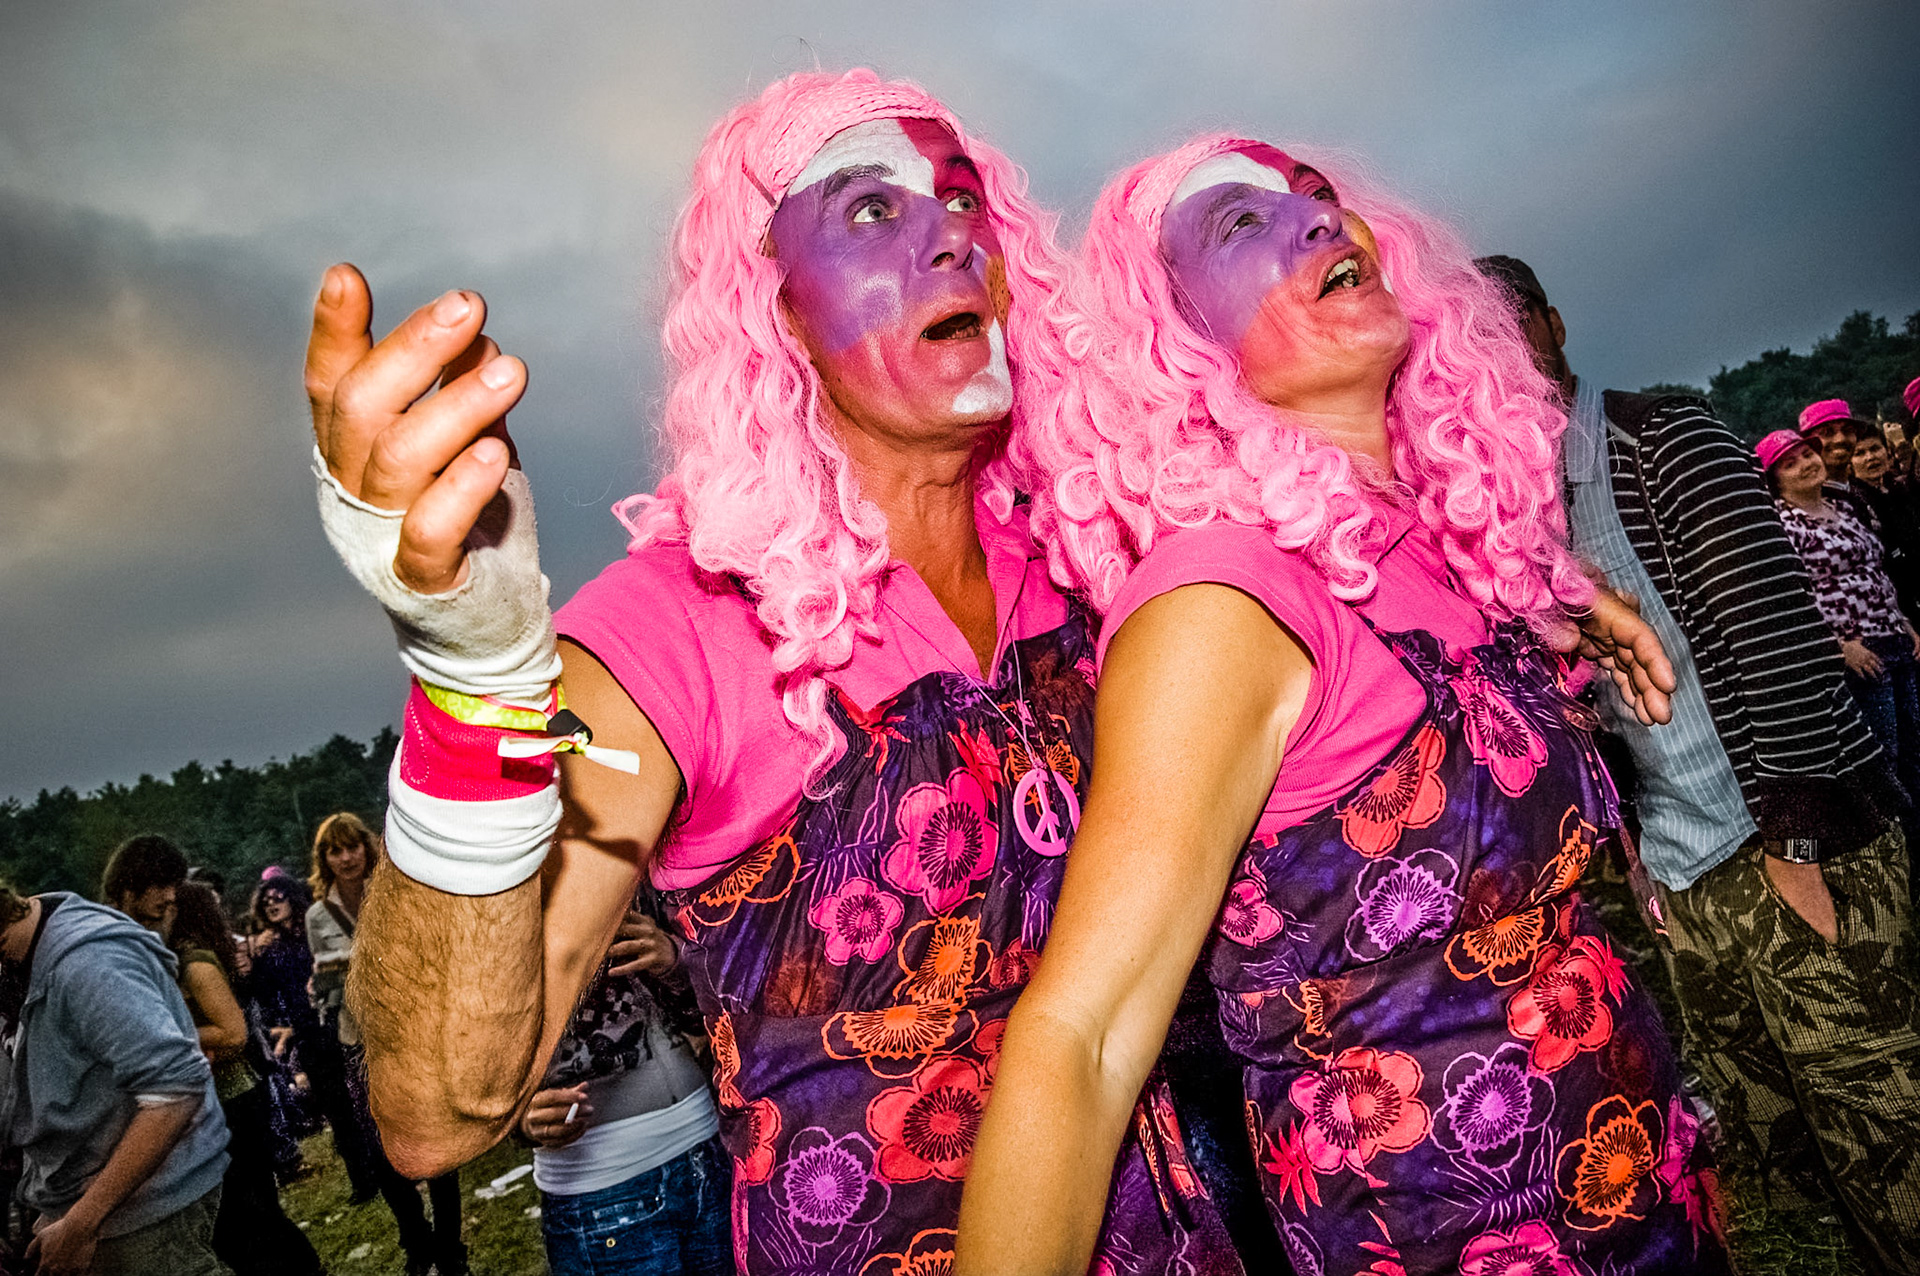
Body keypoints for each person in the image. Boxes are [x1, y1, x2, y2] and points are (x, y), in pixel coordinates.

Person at [304, 70, 1248, 1276]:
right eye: (869, 210)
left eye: (967, 202)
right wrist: (472, 681)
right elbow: (437, 1110)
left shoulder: (1092, 564)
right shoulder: (684, 628)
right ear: (775, 307)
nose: (952, 235)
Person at [957, 136, 1725, 1276]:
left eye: (1315, 199)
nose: (1318, 223)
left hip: (1640, 1197)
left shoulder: (1425, 554)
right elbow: (1085, 1037)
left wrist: (1556, 596)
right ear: (1176, 340)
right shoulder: (1220, 599)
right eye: (1238, 225)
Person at [1484, 254, 1920, 1273]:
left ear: (1552, 323)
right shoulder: (1520, 504)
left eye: (1511, 325)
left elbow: (1785, 647)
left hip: (1800, 850)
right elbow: (1604, 712)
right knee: (1800, 1150)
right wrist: (1642, 857)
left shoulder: (1660, 438)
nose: (1496, 353)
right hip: (1694, 877)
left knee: (1894, 1146)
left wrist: (1802, 845)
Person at [0, 878, 231, 1275]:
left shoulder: (87, 963)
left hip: (149, 1207)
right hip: (89, 1204)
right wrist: (56, 1201)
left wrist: (82, 1221)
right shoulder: (19, 959)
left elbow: (174, 1089)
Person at [519, 894, 729, 1274]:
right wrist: (518, 1119)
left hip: (708, 1148)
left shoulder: (631, 871)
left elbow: (704, 1018)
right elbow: (466, 1057)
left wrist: (673, 959)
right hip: (603, 1187)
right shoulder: (500, 901)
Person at [306, 813, 466, 1276]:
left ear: (367, 845)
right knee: (381, 1149)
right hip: (359, 1041)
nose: (346, 857)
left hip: (416, 1034)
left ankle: (451, 1247)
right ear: (325, 860)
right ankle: (416, 1242)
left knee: (438, 1145)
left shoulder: (397, 892)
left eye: (351, 846)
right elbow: (326, 978)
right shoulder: (318, 915)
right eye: (335, 851)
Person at [170, 882, 325, 1276]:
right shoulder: (183, 961)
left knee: (252, 1209)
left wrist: (166, 1032)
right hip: (229, 1097)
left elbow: (232, 1033)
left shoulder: (194, 964)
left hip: (233, 1096)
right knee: (255, 1208)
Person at [1764, 427, 1920, 811]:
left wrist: (1905, 622)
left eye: (1806, 454)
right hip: (1859, 652)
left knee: (1916, 751)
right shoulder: (1781, 526)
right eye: (1789, 463)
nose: (1805, 464)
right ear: (1775, 479)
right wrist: (1838, 647)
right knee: (1885, 759)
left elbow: (1876, 570)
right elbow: (1791, 598)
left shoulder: (1846, 507)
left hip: (1893, 637)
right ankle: (1891, 857)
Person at [101, 833, 190, 936]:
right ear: (131, 884)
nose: (171, 896)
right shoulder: (100, 936)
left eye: (174, 886)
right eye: (161, 886)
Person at [1802, 397, 1862, 484]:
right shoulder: (1806, 496)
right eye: (1827, 433)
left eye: (1848, 430)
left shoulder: (1866, 492)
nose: (1840, 439)